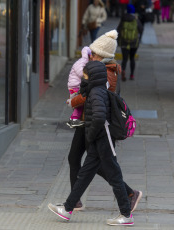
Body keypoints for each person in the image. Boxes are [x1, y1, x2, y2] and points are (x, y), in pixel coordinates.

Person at [48, 61, 134, 226]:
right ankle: (67, 209)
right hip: (99, 139)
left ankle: (126, 215)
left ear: (93, 76)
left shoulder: (95, 93)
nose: (84, 77)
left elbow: (100, 117)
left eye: (86, 74)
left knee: (114, 175)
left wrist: (91, 134)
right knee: (85, 174)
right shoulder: (96, 90)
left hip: (103, 138)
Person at [66, 30, 142, 212]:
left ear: (102, 55)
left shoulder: (107, 73)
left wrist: (73, 100)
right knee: (81, 160)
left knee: (99, 164)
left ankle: (129, 195)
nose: (90, 55)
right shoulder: (100, 69)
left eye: (94, 53)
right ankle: (73, 202)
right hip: (89, 119)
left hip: (96, 123)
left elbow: (93, 95)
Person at [66, 46, 92, 128]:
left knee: (79, 103)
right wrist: (89, 75)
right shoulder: (82, 61)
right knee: (79, 103)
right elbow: (81, 73)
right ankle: (74, 120)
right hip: (75, 86)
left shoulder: (84, 61)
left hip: (75, 85)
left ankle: (72, 119)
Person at [117, 4, 143, 81]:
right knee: (132, 58)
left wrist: (118, 40)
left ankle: (123, 71)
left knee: (124, 59)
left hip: (124, 43)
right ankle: (132, 75)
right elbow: (141, 29)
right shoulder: (136, 20)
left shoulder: (123, 19)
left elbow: (118, 30)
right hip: (134, 43)